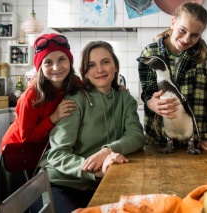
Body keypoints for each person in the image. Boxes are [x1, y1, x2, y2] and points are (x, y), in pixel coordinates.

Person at [42, 41, 145, 212]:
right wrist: (94, 171)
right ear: (85, 72)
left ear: (116, 66)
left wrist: (108, 151)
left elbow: (136, 136)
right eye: (91, 65)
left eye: (105, 62)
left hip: (100, 184)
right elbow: (57, 154)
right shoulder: (75, 100)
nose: (99, 70)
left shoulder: (125, 99)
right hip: (61, 184)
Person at [0, 33, 80, 201]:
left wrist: (117, 89)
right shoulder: (32, 95)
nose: (56, 67)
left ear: (70, 62)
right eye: (48, 62)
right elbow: (26, 137)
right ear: (40, 66)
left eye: (62, 59)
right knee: (18, 204)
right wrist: (54, 117)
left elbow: (95, 87)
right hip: (16, 155)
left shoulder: (75, 83)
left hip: (42, 153)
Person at [138, 2, 207, 151]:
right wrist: (150, 103)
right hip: (159, 138)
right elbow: (147, 92)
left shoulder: (200, 51)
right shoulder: (150, 53)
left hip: (192, 137)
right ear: (173, 22)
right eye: (183, 30)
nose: (187, 39)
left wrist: (201, 136)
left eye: (195, 35)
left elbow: (200, 96)